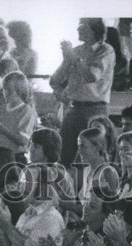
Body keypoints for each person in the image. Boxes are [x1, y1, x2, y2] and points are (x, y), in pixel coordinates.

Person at [49, 18, 116, 165]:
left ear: (95, 30)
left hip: (95, 109)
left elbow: (92, 75)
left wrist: (73, 58)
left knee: (93, 154)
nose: (78, 30)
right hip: (74, 108)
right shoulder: (76, 51)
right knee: (64, 154)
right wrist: (66, 62)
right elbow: (55, 80)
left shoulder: (105, 51)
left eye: (83, 27)